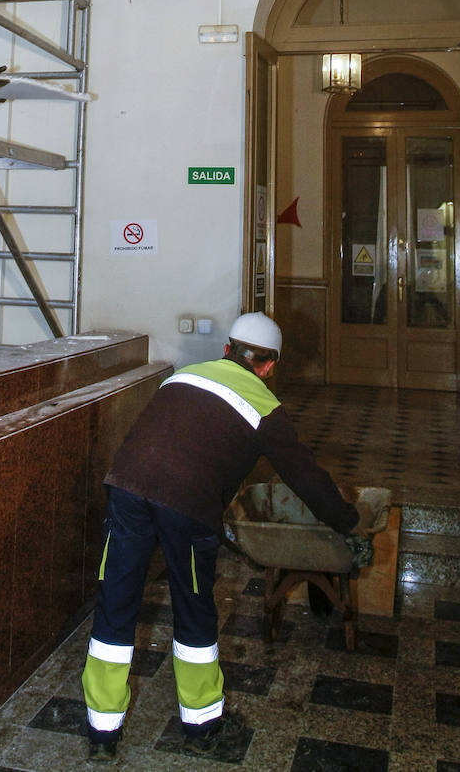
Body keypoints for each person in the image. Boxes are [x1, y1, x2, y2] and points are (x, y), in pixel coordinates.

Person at [81, 312, 359, 761]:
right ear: (269, 365)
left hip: (127, 486)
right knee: (192, 609)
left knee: (115, 601)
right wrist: (348, 522)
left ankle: (101, 732)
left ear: (228, 349)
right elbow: (306, 478)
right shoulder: (266, 406)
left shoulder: (184, 376)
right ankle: (202, 724)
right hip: (187, 506)